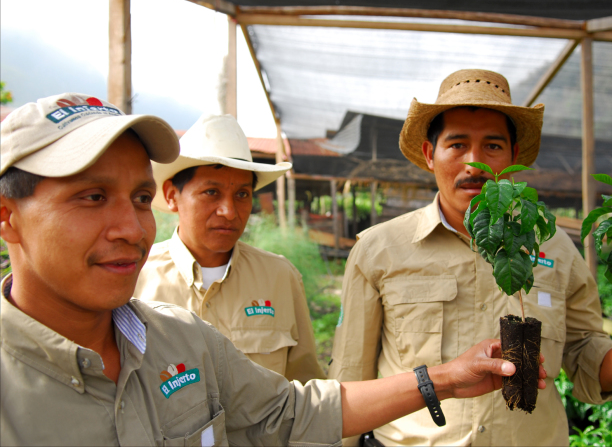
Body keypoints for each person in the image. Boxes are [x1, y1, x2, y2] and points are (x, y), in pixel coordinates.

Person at [0, 93, 545, 446]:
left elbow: (293, 406)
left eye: (140, 199)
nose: (131, 228)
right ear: (8, 218)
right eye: (92, 197)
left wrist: (448, 377)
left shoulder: (181, 341)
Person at [328, 69, 612, 446]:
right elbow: (351, 372)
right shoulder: (379, 248)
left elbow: (583, 352)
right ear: (431, 154)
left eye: (493, 147)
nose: (474, 163)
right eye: (457, 144)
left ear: (513, 157)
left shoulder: (555, 246)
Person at [133, 114, 325, 383]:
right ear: (171, 196)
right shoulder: (135, 277)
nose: (229, 211)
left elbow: (303, 384)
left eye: (242, 194)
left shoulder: (280, 276)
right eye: (211, 192)